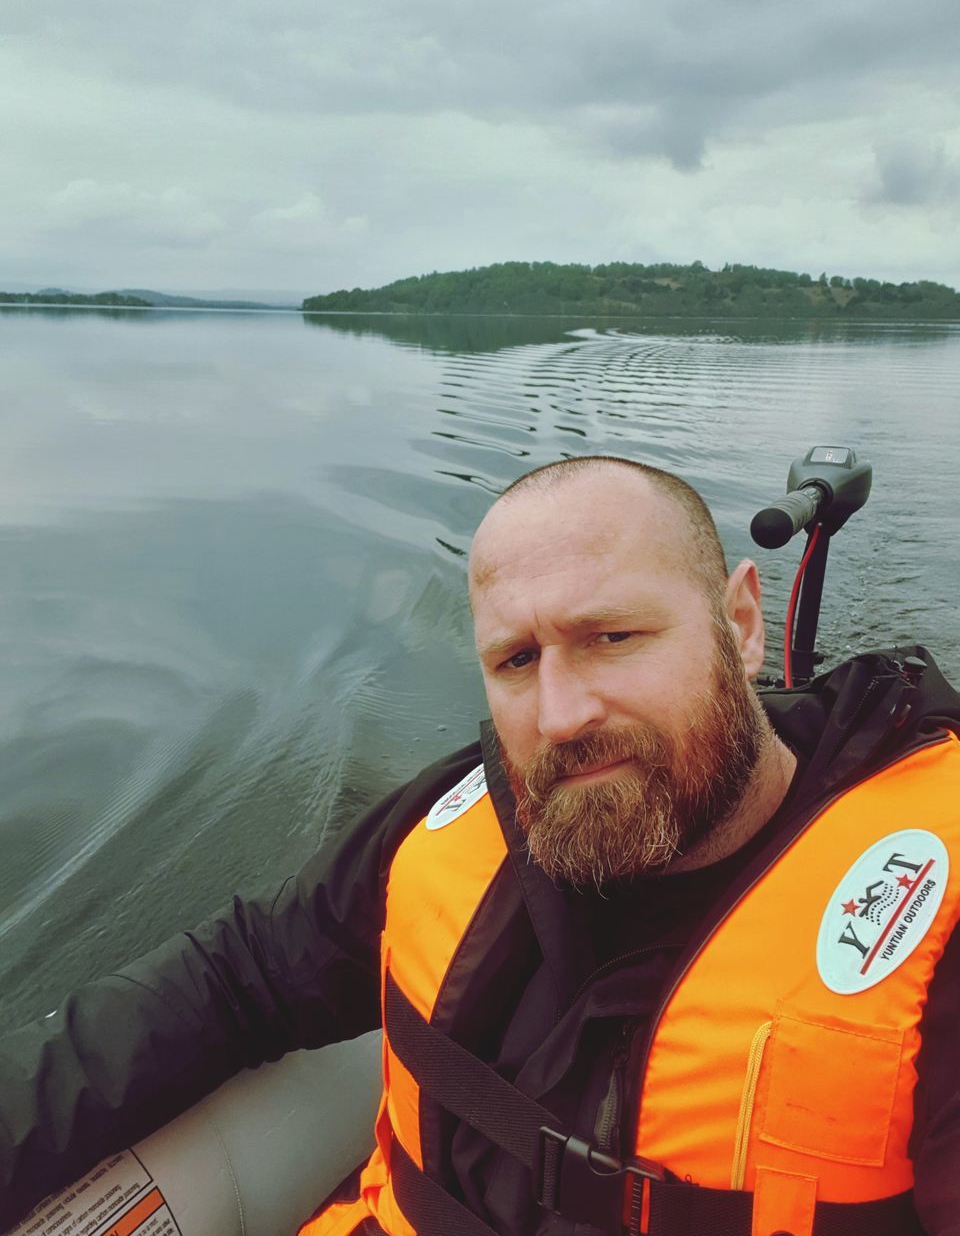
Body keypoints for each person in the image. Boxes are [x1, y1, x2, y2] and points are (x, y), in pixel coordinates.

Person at [2, 455, 960, 1236]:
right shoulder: (461, 815)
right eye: (515, 660)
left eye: (614, 636)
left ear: (741, 624)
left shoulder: (937, 927)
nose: (562, 714)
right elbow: (240, 975)